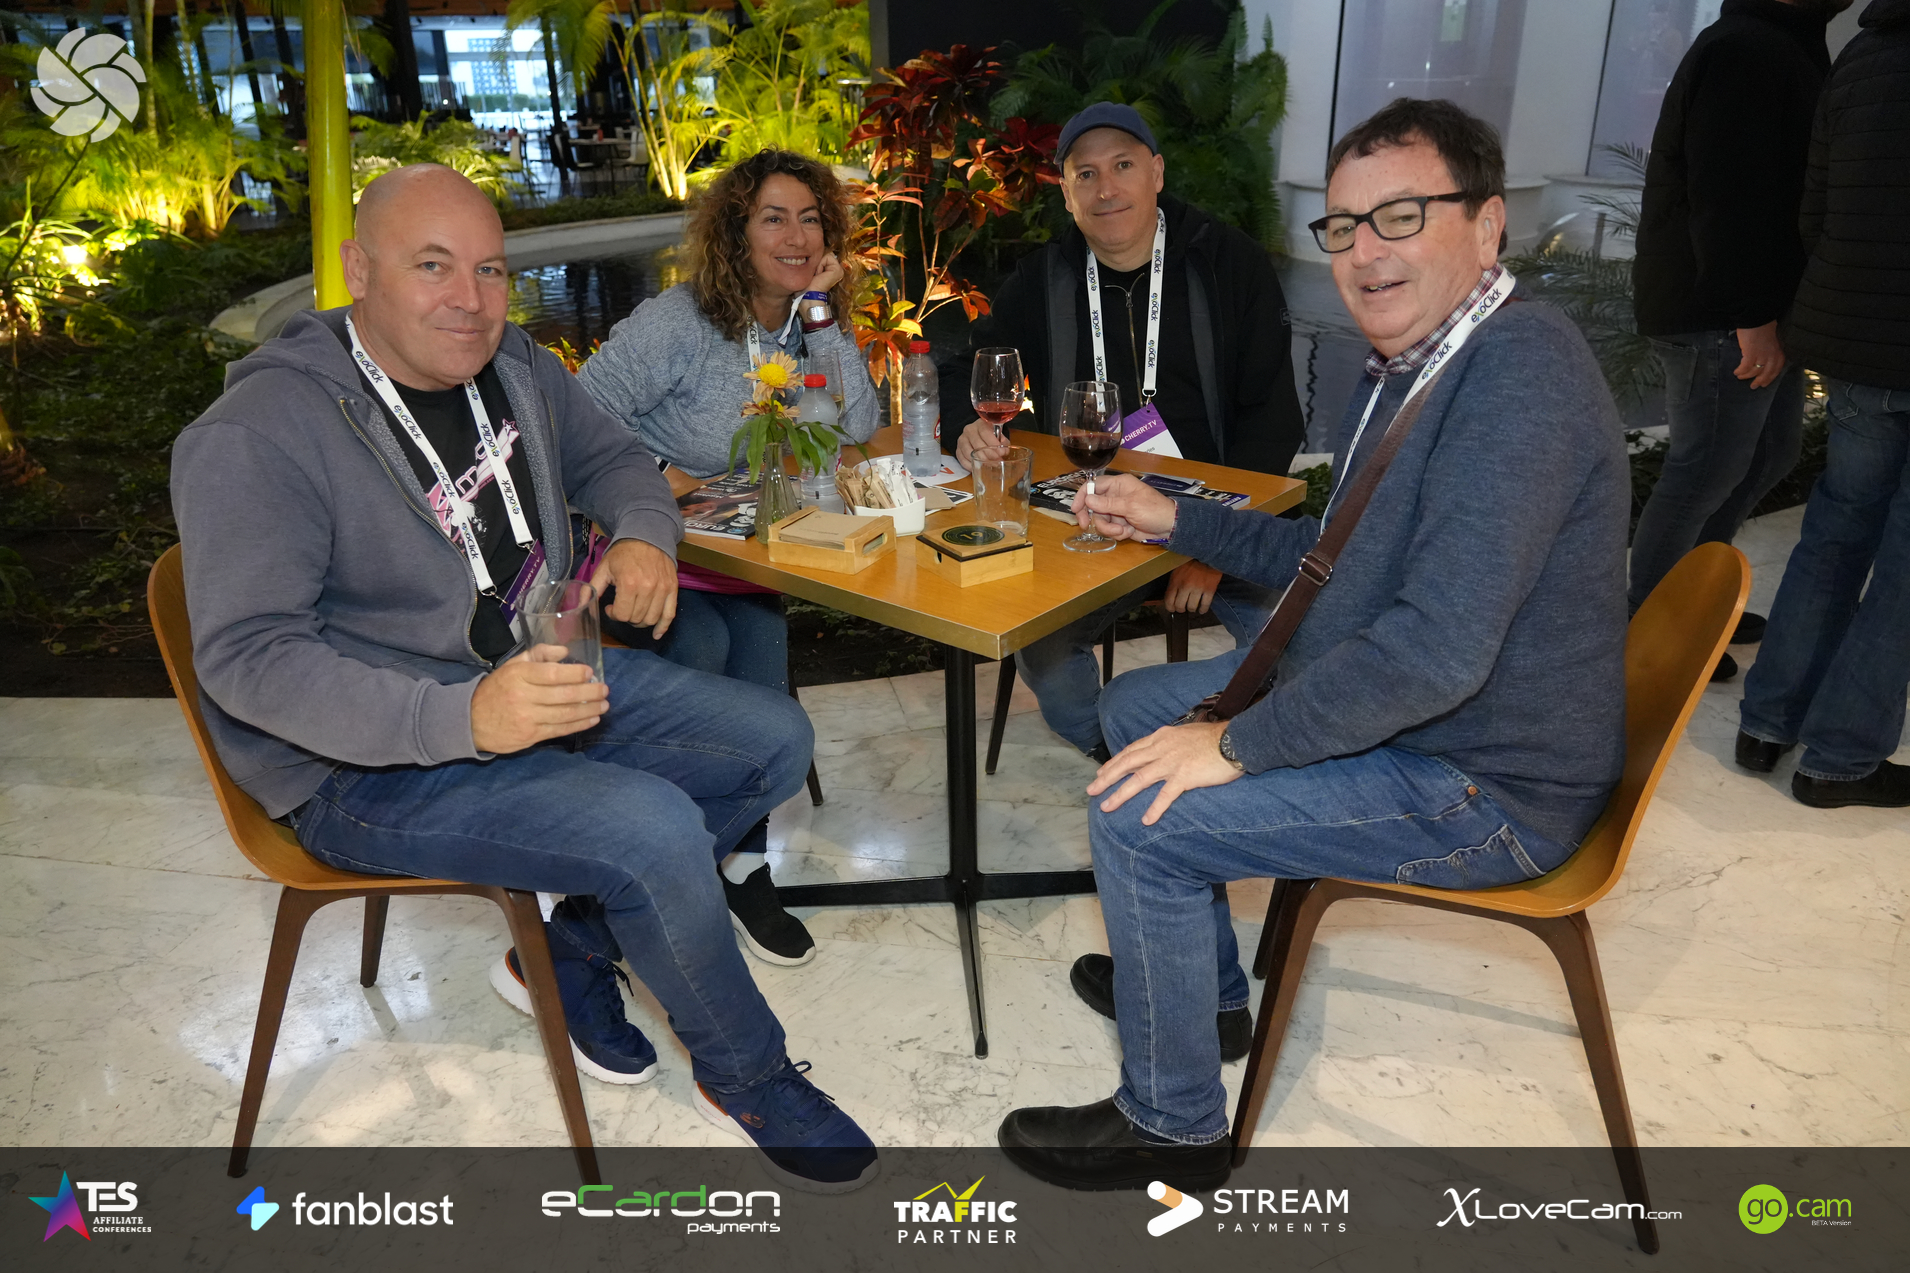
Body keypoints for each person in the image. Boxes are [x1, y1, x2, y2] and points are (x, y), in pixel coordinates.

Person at [169, 164, 877, 1193]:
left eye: (491, 270)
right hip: (361, 766)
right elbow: (248, 658)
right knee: (652, 831)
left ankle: (570, 946)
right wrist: (462, 716)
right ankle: (747, 1074)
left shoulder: (513, 365)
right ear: (358, 270)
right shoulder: (260, 433)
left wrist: (641, 533)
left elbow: (617, 462)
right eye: (433, 266)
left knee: (774, 738)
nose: (470, 298)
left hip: (534, 670)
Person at [997, 99, 1629, 1190]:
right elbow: (1329, 553)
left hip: (1485, 780)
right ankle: (1206, 1001)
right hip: (1443, 722)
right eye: (1343, 227)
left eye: (1400, 216)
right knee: (1132, 712)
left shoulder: (1516, 378)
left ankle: (1173, 1125)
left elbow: (1432, 656)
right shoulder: (1430, 358)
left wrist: (1233, 745)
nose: (1363, 253)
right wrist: (1175, 517)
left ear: (1486, 226)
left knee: (1140, 816)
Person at [578, 149, 878, 964]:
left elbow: (856, 426)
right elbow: (578, 415)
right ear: (736, 233)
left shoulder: (804, 321)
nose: (796, 236)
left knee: (762, 661)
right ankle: (657, 865)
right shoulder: (680, 321)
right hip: (646, 545)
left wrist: (824, 317)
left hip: (744, 554)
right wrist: (654, 472)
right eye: (773, 218)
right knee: (703, 648)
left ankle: (738, 861)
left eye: (810, 219)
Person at [946, 103, 1307, 761]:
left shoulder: (1229, 263)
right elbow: (969, 365)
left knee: (1300, 635)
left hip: (1218, 516)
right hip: (1092, 518)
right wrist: (967, 426)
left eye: (1122, 166)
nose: (1105, 188)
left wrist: (1211, 545)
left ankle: (1229, 748)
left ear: (1157, 173)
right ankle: (1117, 753)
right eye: (1085, 174)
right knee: (1042, 646)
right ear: (1067, 194)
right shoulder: (1043, 277)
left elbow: (1273, 417)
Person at [1630, 0, 1852, 680]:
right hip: (1720, 312)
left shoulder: (1780, 43)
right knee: (1706, 469)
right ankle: (1647, 629)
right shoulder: (1744, 49)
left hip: (1749, 308)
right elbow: (1728, 193)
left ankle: (1693, 599)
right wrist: (1752, 315)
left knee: (1769, 451)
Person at [1737, 0, 1910, 808]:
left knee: (1837, 526)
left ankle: (1767, 721)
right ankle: (1840, 757)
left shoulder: (1861, 56)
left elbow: (1816, 207)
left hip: (1852, 338)